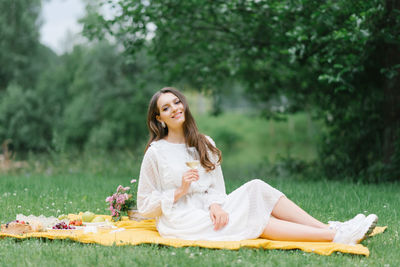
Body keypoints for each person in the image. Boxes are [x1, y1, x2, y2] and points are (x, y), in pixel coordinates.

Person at [137, 87, 378, 245]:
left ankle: (330, 227)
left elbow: (216, 188)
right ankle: (335, 236)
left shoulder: (204, 143)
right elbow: (145, 206)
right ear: (159, 118)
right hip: (182, 219)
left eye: (177, 102)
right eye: (165, 108)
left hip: (209, 210)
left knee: (256, 186)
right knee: (253, 215)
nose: (175, 109)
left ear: (184, 106)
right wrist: (179, 191)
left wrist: (216, 205)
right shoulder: (156, 153)